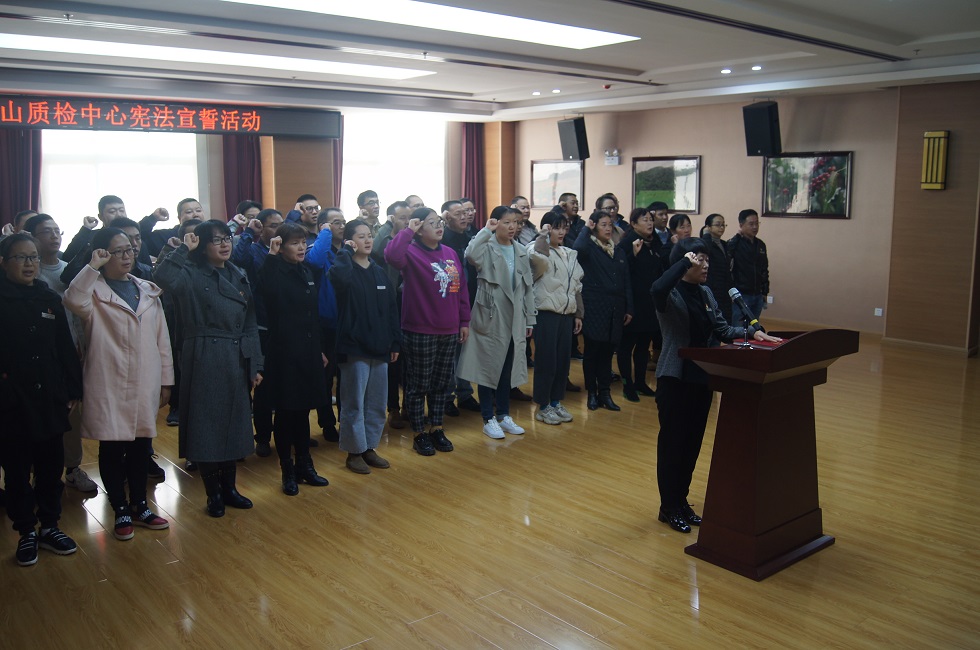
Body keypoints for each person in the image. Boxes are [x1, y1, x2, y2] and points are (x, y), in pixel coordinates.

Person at [651, 237, 781, 533]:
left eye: (707, 259)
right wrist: (683, 262)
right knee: (673, 445)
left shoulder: (706, 292)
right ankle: (668, 506)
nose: (706, 265)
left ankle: (681, 501)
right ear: (685, 262)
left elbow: (721, 328)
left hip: (701, 377)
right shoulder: (670, 293)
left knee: (692, 444)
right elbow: (656, 288)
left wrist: (751, 333)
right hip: (675, 379)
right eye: (700, 259)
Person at [64, 228, 174, 541]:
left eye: (130, 250)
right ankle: (120, 507)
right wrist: (92, 266)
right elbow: (72, 299)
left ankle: (140, 505)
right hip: (108, 380)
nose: (127, 256)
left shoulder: (147, 290)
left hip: (145, 380)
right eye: (117, 251)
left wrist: (167, 380)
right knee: (112, 447)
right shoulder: (93, 291)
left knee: (141, 447)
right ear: (102, 254)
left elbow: (162, 339)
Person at [153, 220, 262, 518]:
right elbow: (161, 277)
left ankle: (230, 488)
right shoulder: (189, 272)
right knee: (207, 427)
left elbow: (250, 323)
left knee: (233, 424)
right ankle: (213, 493)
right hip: (203, 355)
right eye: (216, 240)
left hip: (235, 356)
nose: (225, 244)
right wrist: (182, 250)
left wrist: (255, 363)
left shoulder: (238, 273)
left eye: (227, 238)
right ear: (201, 246)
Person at [0, 233, 83, 566]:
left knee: (51, 467)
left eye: (33, 257)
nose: (29, 264)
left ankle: (49, 526)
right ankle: (26, 531)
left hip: (49, 396)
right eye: (21, 258)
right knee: (17, 470)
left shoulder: (48, 298)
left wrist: (73, 389)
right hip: (11, 401)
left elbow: (65, 347)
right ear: (4, 263)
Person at [384, 208, 470, 456]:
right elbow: (391, 255)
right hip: (420, 328)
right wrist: (407, 231)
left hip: (449, 328)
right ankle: (419, 432)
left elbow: (460, 289)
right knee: (418, 384)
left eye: (439, 221)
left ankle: (436, 427)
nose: (439, 226)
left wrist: (464, 320)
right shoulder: (410, 252)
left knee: (441, 383)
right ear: (420, 229)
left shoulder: (450, 253)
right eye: (432, 223)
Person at [23, 214, 98, 493]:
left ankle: (73, 468)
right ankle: (37, 473)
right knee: (38, 418)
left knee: (72, 415)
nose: (54, 236)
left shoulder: (72, 270)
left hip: (73, 352)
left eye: (57, 231)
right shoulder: (28, 272)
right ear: (32, 237)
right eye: (46, 232)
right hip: (40, 358)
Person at [258, 224, 330, 494]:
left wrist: (319, 349)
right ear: (281, 246)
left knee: (302, 411)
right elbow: (265, 290)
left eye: (303, 242)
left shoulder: (306, 271)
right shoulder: (273, 270)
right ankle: (287, 469)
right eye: (294, 243)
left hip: (308, 352)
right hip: (284, 353)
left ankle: (305, 465)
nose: (301, 247)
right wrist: (271, 255)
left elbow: (313, 316)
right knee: (286, 412)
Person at [329, 219, 401, 474]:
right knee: (354, 403)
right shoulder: (345, 269)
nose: (368, 240)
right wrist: (344, 252)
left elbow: (391, 310)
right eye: (361, 237)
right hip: (354, 347)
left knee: (376, 403)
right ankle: (354, 452)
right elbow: (338, 278)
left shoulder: (379, 272)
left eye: (369, 235)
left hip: (380, 347)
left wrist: (394, 341)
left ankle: (369, 446)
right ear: (350, 241)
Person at [457, 206, 536, 439]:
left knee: (507, 369)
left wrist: (529, 319)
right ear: (496, 222)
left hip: (516, 318)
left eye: (515, 222)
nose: (512, 227)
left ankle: (503, 415)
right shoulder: (487, 246)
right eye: (506, 222)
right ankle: (488, 418)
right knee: (488, 368)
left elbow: (528, 288)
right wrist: (485, 230)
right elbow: (470, 255)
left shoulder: (521, 250)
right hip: (491, 315)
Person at [230, 208, 286, 457]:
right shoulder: (254, 250)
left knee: (286, 384)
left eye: (281, 224)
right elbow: (238, 258)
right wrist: (248, 232)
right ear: (262, 229)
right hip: (261, 325)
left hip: (284, 326)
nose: (278, 229)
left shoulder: (287, 251)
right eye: (273, 225)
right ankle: (262, 437)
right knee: (263, 386)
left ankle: (288, 434)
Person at [526, 212, 583, 425]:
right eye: (557, 227)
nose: (562, 232)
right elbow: (538, 261)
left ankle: (556, 401)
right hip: (546, 313)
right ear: (547, 228)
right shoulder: (534, 248)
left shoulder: (569, 253)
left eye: (564, 228)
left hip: (566, 314)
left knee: (562, 362)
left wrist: (578, 314)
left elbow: (576, 285)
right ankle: (543, 406)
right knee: (546, 361)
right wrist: (542, 236)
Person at [574, 211, 633, 411]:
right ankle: (592, 393)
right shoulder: (589, 247)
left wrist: (629, 308)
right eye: (603, 225)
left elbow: (626, 281)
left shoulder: (618, 251)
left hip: (615, 309)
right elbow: (577, 249)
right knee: (592, 352)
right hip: (594, 307)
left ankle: (605, 393)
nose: (608, 229)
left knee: (608, 353)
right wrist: (586, 228)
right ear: (594, 226)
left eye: (610, 225)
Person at [616, 208, 665, 402]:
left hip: (650, 303)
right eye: (645, 220)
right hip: (632, 304)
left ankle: (640, 382)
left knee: (644, 346)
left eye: (651, 219)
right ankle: (627, 384)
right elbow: (620, 273)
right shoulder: (627, 243)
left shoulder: (655, 242)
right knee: (627, 346)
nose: (650, 223)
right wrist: (633, 256)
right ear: (634, 224)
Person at [307, 207, 346, 442]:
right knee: (325, 378)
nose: (341, 226)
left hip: (347, 323)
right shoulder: (318, 248)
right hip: (325, 324)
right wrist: (324, 233)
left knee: (347, 378)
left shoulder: (349, 250)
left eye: (343, 222)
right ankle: (327, 423)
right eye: (335, 222)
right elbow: (314, 261)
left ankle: (346, 422)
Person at [372, 201, 411, 429]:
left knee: (410, 361)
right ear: (391, 219)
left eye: (409, 217)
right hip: (390, 302)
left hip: (411, 302)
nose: (407, 221)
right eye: (402, 217)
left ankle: (408, 406)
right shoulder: (384, 238)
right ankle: (393, 408)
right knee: (393, 360)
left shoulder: (415, 239)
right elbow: (377, 253)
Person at [440, 200, 480, 414]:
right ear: (446, 217)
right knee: (449, 355)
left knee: (465, 352)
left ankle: (465, 394)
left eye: (466, 212)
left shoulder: (471, 237)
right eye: (458, 214)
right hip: (448, 304)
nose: (465, 217)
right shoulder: (442, 240)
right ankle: (447, 397)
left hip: (469, 301)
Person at [727, 209, 769, 325]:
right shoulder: (734, 244)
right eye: (751, 224)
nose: (755, 227)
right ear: (741, 225)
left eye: (757, 223)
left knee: (754, 328)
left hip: (757, 294)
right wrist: (737, 236)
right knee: (738, 328)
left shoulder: (760, 245)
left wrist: (765, 291)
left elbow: (764, 269)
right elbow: (727, 260)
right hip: (741, 294)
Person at [139, 198, 206, 265]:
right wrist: (153, 218)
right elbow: (139, 238)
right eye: (189, 212)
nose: (195, 215)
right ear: (179, 218)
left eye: (198, 210)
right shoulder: (167, 237)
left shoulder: (210, 232)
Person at [702, 213, 735, 323]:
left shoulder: (725, 245)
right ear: (708, 227)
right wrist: (706, 234)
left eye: (723, 225)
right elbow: (706, 250)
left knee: (726, 321)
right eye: (717, 225)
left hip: (725, 290)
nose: (721, 227)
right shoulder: (705, 243)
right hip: (712, 289)